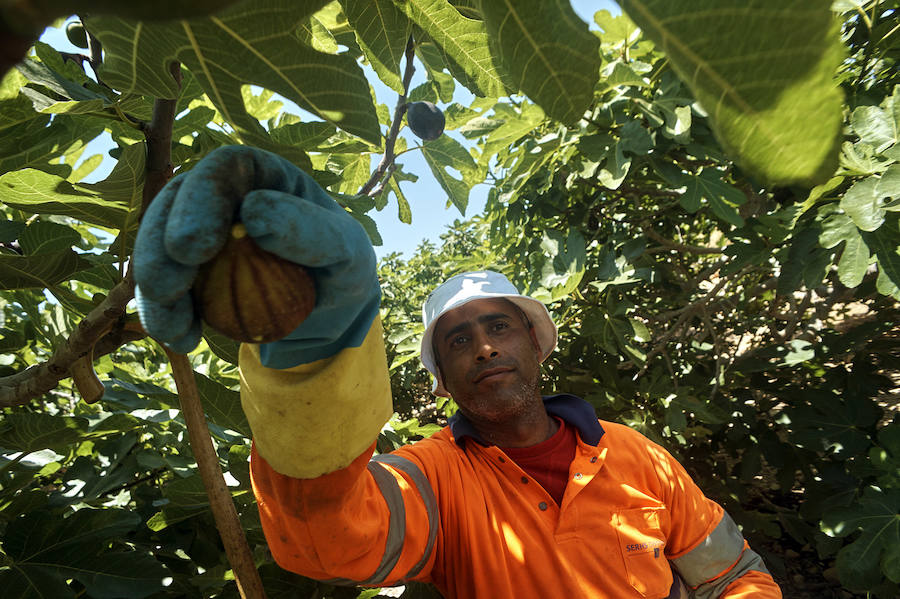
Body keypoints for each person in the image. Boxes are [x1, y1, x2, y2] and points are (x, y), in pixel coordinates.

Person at [134, 146, 782, 598]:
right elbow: (327, 540)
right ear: (440, 378)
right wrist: (310, 357)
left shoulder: (638, 456)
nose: (483, 348)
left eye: (498, 326)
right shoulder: (436, 478)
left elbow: (731, 575)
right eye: (458, 340)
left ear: (535, 340)